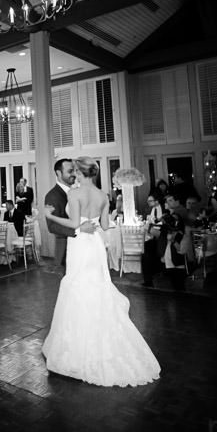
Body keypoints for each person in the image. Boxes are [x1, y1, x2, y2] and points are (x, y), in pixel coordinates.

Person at [42, 157, 161, 387]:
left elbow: (74, 222)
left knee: (79, 286)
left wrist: (49, 215)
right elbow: (106, 226)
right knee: (95, 286)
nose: (72, 173)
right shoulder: (104, 196)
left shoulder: (75, 195)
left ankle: (77, 346)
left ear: (79, 171)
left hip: (80, 245)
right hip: (95, 244)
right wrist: (93, 224)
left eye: (74, 169)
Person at [45, 159, 95, 273]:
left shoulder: (76, 191)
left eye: (75, 171)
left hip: (83, 247)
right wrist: (79, 229)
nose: (74, 174)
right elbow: (52, 226)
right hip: (67, 251)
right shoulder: (52, 196)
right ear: (58, 173)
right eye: (70, 171)